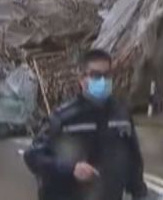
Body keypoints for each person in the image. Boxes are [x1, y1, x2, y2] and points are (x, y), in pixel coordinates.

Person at [24, 48, 149, 200]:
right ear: (82, 79)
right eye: (96, 75)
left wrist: (140, 193)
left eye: (107, 75)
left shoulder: (121, 115)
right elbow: (33, 156)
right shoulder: (64, 117)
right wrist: (71, 169)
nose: (102, 81)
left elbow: (133, 159)